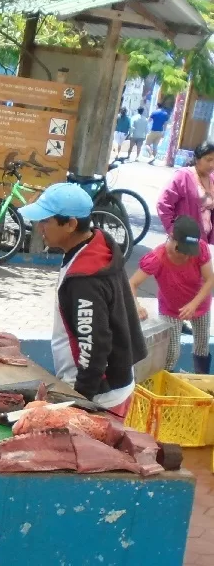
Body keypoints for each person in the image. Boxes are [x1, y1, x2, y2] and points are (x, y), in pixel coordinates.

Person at [18, 183, 146, 415]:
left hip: (99, 397)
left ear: (71, 224)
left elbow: (94, 344)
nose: (39, 227)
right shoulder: (96, 243)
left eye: (46, 221)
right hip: (111, 384)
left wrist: (80, 400)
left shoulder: (85, 280)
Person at [129, 216, 214, 374]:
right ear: (172, 238)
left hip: (200, 303)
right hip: (170, 309)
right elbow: (132, 284)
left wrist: (194, 304)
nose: (187, 256)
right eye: (183, 250)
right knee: (171, 352)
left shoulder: (201, 248)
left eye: (190, 252)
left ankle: (200, 379)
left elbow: (210, 279)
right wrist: (137, 306)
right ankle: (166, 378)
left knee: (202, 347)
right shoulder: (157, 258)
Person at [156, 141, 214, 247]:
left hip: (206, 242)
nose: (212, 165)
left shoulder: (212, 178)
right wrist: (173, 230)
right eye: (208, 160)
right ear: (197, 159)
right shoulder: (183, 176)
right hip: (185, 241)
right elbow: (163, 204)